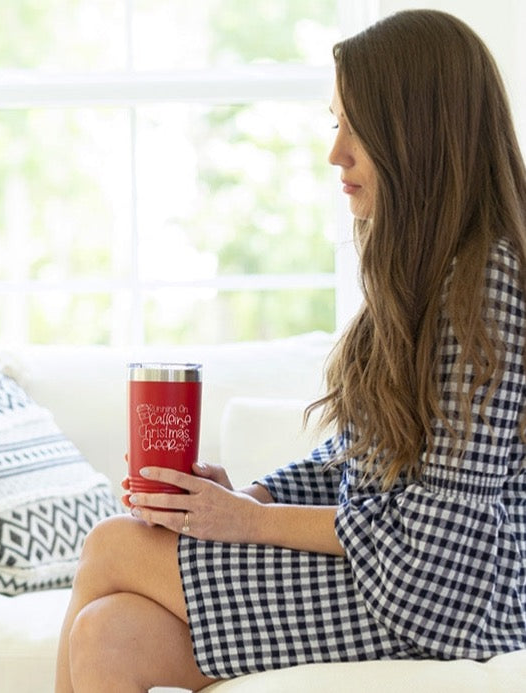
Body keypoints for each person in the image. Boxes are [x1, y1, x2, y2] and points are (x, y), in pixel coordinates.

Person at [55, 9, 526, 692]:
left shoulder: (485, 284)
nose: (335, 153)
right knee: (107, 634)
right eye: (335, 124)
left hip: (437, 601)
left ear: (415, 132)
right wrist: (244, 496)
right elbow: (360, 456)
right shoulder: (424, 273)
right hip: (391, 582)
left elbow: (439, 529)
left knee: (112, 545)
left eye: (353, 127)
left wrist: (250, 522)